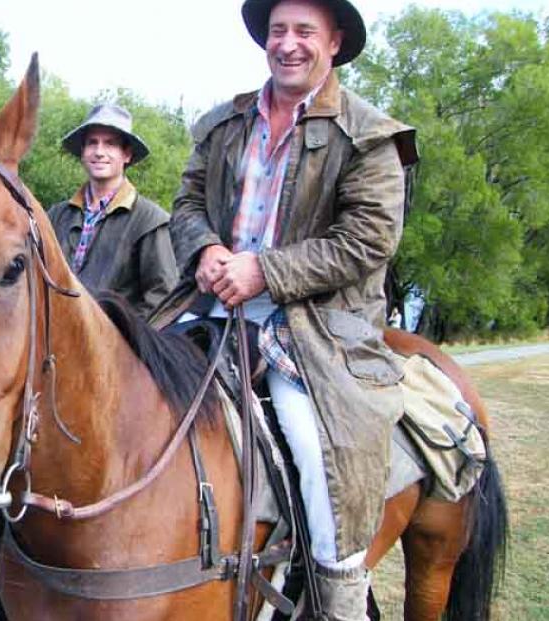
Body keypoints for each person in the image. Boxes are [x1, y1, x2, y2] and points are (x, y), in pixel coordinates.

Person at [153, 0, 418, 617]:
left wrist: (264, 270)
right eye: (279, 30)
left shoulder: (370, 135)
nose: (289, 44)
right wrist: (207, 248)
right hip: (212, 309)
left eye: (305, 31)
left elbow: (368, 239)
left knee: (319, 460)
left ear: (334, 41)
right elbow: (187, 201)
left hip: (315, 333)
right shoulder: (226, 123)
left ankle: (338, 602)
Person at [48, 103, 178, 319]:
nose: (99, 152)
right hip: (52, 341)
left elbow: (163, 296)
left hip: (114, 347)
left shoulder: (150, 220)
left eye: (110, 144)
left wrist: (121, 337)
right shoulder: (57, 214)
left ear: (126, 154)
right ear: (83, 152)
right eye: (92, 143)